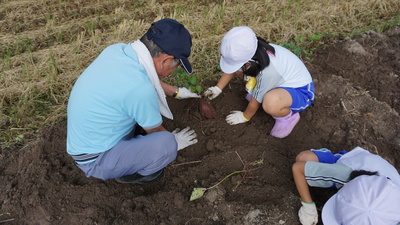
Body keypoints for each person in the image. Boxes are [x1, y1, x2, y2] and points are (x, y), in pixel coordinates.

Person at [67, 18, 200, 184]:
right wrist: (176, 142)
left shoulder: (117, 50)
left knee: (140, 114)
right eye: (177, 64)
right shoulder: (140, 89)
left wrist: (175, 91)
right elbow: (156, 131)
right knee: (166, 145)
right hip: (95, 158)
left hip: (85, 138)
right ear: (165, 60)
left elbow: (143, 77)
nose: (175, 69)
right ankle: (132, 173)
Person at [204, 26, 314, 138]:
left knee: (270, 103)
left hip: (301, 91)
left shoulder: (268, 72)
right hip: (278, 82)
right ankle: (261, 92)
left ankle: (288, 117)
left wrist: (245, 116)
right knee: (240, 71)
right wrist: (218, 87)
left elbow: (255, 102)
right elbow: (233, 68)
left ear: (248, 63)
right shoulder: (254, 51)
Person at [292, 146, 400, 225]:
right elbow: (298, 169)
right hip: (352, 162)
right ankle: (329, 156)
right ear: (345, 185)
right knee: (303, 158)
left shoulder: (394, 210)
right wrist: (308, 205)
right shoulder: (343, 175)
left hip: (380, 175)